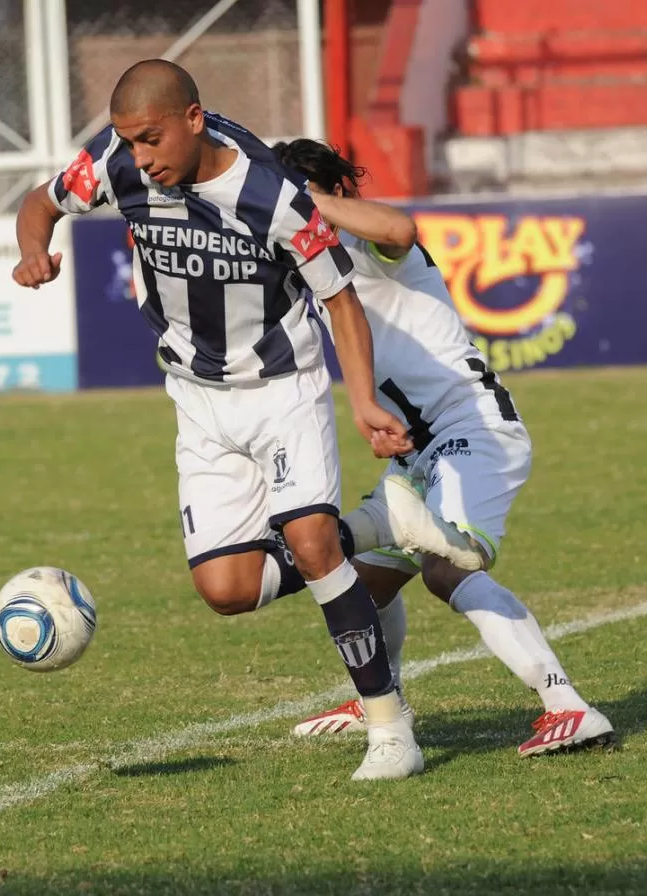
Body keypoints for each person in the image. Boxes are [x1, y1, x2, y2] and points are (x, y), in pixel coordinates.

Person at [11, 60, 432, 780]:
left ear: (194, 120)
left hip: (281, 389)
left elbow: (341, 302)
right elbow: (39, 201)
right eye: (128, 142)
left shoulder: (273, 196)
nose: (140, 158)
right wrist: (32, 252)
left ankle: (391, 729)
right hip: (197, 402)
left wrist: (363, 402)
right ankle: (377, 526)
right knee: (226, 592)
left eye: (150, 139)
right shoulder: (118, 166)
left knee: (312, 548)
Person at [263, 139, 616, 757]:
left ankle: (568, 706)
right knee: (358, 586)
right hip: (418, 453)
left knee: (448, 568)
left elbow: (401, 224)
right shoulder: (310, 265)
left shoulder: (377, 247)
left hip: (471, 426)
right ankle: (383, 698)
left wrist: (310, 202)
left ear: (333, 193)